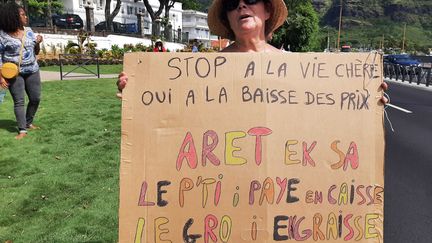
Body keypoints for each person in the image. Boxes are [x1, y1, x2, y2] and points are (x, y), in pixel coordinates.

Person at [117, 0, 388, 99]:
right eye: (233, 3)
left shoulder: (296, 67)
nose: (242, 6)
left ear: (268, 9)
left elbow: (327, 109)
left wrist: (366, 99)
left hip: (282, 180)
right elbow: (173, 111)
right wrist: (137, 89)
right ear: (227, 17)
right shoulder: (205, 70)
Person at [0, 2, 43, 139]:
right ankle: (22, 129)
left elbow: (35, 51)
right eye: (23, 15)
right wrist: (1, 77)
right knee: (19, 101)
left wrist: (38, 43)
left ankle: (29, 122)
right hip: (14, 73)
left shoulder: (29, 31)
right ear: (13, 17)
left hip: (32, 70)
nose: (26, 17)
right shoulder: (2, 35)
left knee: (35, 98)